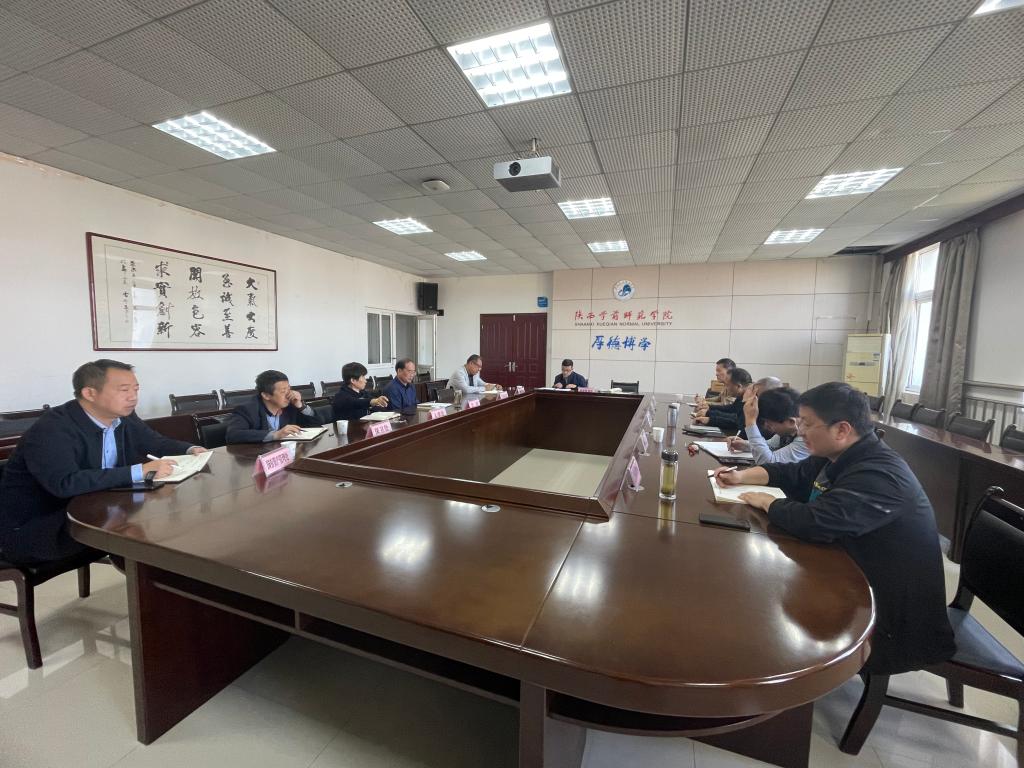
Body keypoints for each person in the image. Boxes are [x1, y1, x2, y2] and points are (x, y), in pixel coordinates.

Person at [713, 382, 955, 674]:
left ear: (841, 430)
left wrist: (768, 503)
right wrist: (742, 477)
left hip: (889, 618)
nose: (800, 431)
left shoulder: (880, 475)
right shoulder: (838, 455)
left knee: (762, 610)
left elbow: (815, 522)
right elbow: (792, 473)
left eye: (807, 423)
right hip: (849, 577)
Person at [0, 360, 206, 565]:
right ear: (90, 393)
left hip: (96, 511)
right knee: (152, 537)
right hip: (42, 528)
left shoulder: (122, 416)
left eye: (136, 389)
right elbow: (65, 483)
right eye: (124, 390)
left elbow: (153, 441)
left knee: (168, 526)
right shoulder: (52, 429)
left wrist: (190, 450)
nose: (133, 397)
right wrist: (138, 471)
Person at [225, 370, 322, 443]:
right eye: (283, 391)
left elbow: (317, 424)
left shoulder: (290, 406)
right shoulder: (247, 410)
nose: (289, 394)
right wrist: (276, 435)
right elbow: (233, 435)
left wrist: (300, 406)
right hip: (255, 458)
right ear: (266, 395)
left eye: (289, 389)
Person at [726, 386, 809, 464]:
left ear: (791, 422)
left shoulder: (806, 439)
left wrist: (750, 422)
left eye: (769, 424)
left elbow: (767, 462)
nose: (765, 426)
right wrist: (745, 445)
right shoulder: (788, 432)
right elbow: (769, 445)